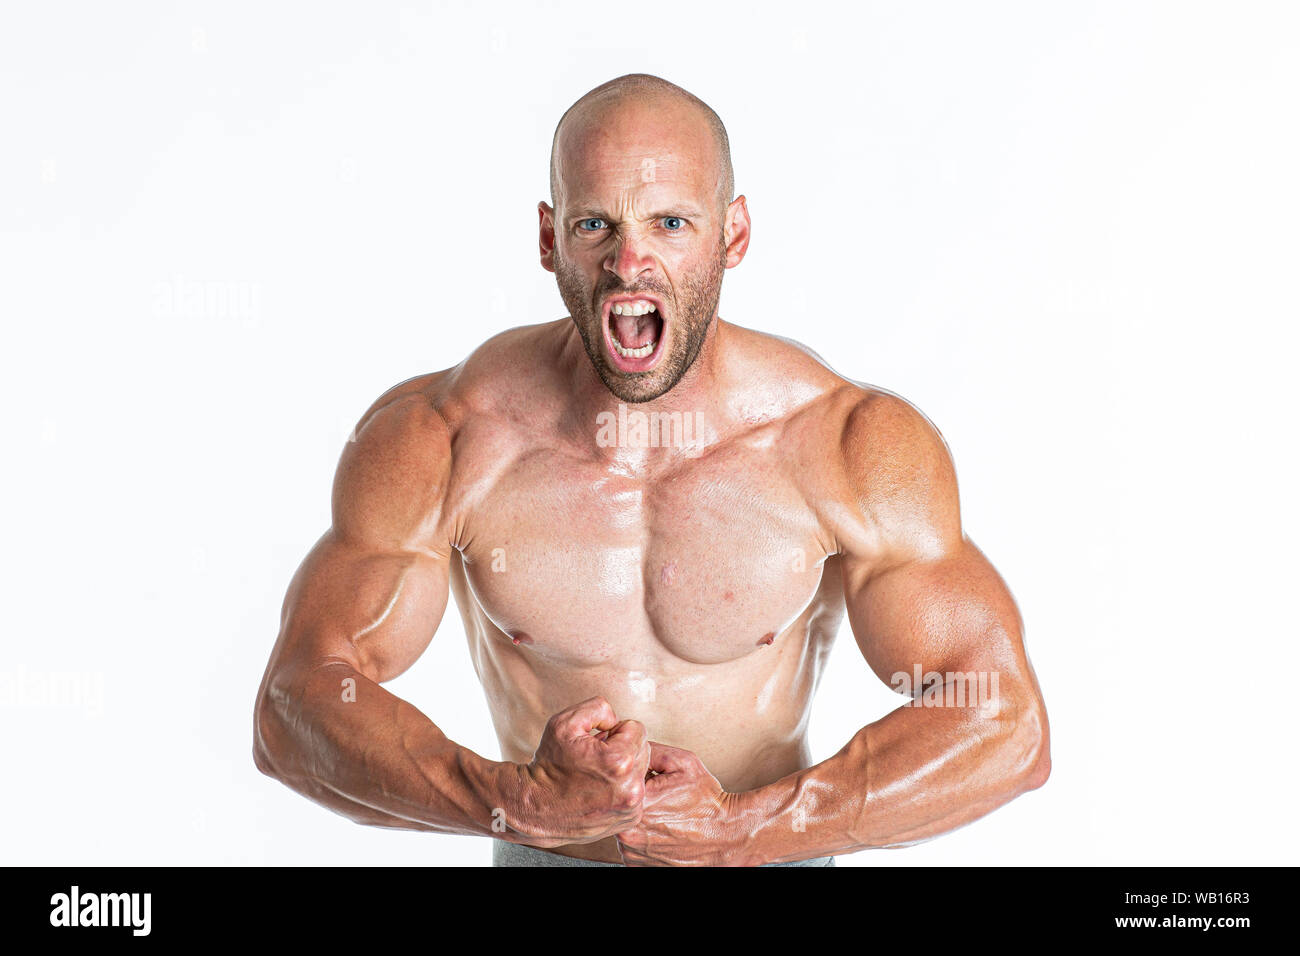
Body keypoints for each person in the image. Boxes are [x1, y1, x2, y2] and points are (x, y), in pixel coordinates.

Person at [253, 73, 1050, 866]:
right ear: (549, 238)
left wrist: (748, 828)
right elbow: (295, 705)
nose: (629, 262)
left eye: (671, 222)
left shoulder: (844, 446)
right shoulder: (448, 437)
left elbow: (1006, 721)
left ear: (733, 236)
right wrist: (513, 802)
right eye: (596, 224)